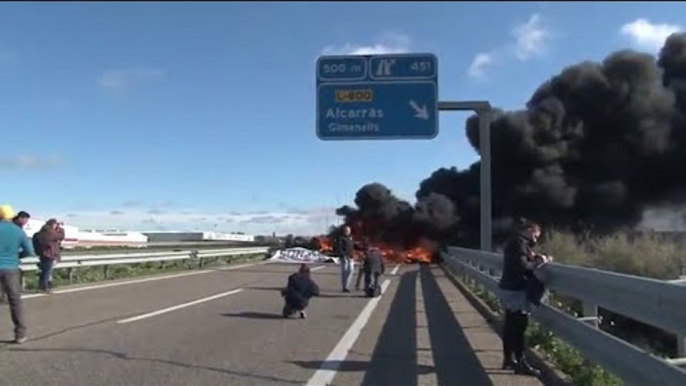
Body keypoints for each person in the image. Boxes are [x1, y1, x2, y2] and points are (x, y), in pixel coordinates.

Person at [498, 218, 551, 377]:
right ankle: (520, 363)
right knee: (520, 327)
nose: (536, 238)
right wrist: (541, 262)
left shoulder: (515, 242)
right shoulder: (519, 243)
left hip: (508, 288)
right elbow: (523, 267)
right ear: (528, 230)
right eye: (535, 234)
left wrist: (533, 256)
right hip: (516, 290)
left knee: (509, 324)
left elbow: (519, 262)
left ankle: (509, 359)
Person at [0, 204, 34, 344]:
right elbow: (29, 251)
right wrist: (16, 256)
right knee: (15, 301)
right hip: (11, 268)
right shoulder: (18, 231)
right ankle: (20, 334)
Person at [1, 211, 31, 304]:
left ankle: (3, 296)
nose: (26, 221)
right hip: (11, 261)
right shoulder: (16, 228)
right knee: (11, 285)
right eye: (25, 219)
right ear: (20, 218)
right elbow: (29, 250)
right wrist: (18, 256)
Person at [33, 219, 65, 293]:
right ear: (52, 224)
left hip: (42, 253)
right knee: (47, 271)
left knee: (44, 271)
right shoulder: (50, 232)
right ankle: (44, 287)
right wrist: (61, 229)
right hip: (50, 254)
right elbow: (61, 236)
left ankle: (41, 286)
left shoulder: (40, 233)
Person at [336, 226, 355, 293]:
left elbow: (353, 246)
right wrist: (344, 256)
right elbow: (339, 248)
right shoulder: (341, 238)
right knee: (345, 272)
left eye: (348, 230)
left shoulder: (351, 238)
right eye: (346, 230)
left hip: (351, 257)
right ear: (344, 231)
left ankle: (347, 285)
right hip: (344, 258)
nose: (347, 231)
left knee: (351, 271)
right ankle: (345, 287)